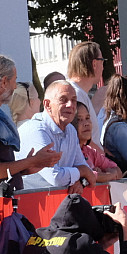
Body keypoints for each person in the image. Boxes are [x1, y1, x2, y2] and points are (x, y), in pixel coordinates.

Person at [17, 81, 95, 193]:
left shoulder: (71, 130)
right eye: (63, 100)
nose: (70, 105)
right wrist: (81, 172)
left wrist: (78, 180)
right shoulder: (36, 129)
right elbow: (56, 177)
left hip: (52, 200)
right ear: (47, 104)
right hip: (28, 201)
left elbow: (82, 166)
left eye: (73, 100)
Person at [0, 56, 60, 190]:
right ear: (4, 82)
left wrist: (26, 167)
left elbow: (6, 170)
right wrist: (32, 161)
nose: (15, 86)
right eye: (14, 81)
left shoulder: (2, 117)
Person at [66, 42, 105, 147]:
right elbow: (83, 140)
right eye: (102, 61)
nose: (103, 67)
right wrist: (103, 156)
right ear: (94, 64)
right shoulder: (75, 95)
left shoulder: (78, 92)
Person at [73, 102, 123, 183]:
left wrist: (102, 175)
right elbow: (88, 176)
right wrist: (108, 175)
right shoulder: (69, 153)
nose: (86, 123)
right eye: (79, 120)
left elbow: (118, 171)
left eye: (87, 118)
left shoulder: (90, 152)